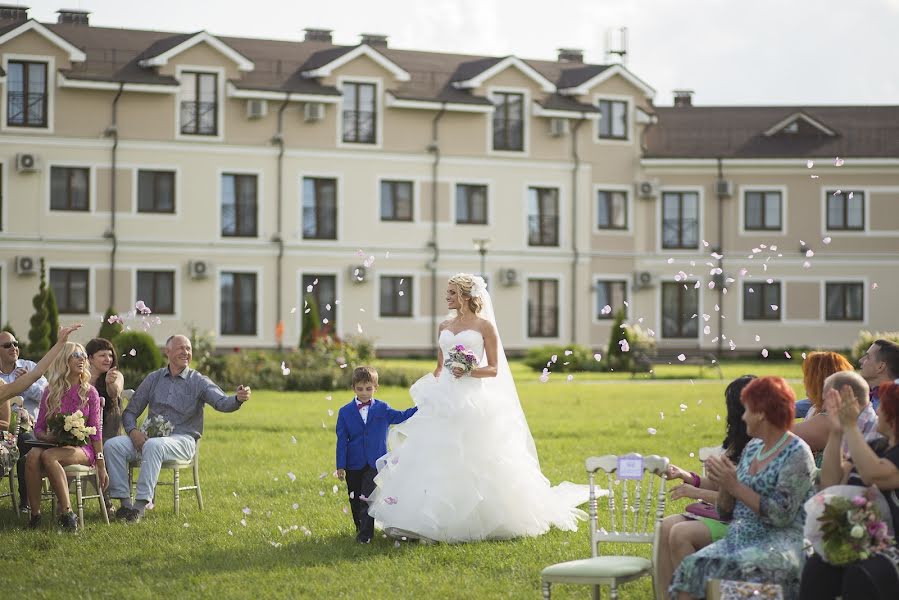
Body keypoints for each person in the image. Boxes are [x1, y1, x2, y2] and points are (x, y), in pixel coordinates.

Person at [366, 273, 588, 543]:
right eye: (447, 292)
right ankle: (420, 519)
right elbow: (440, 366)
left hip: (473, 399)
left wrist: (469, 371)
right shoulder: (444, 325)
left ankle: (473, 520)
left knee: (473, 456)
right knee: (433, 454)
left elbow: (493, 368)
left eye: (451, 292)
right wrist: (431, 390)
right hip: (444, 398)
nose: (446, 297)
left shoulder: (485, 327)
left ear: (466, 296)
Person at [670, 376, 816, 600]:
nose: (743, 416)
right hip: (740, 537)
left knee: (735, 572)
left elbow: (780, 515)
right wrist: (725, 483)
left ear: (761, 413)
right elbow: (725, 512)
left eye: (747, 410)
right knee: (690, 569)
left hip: (779, 543)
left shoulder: (797, 453)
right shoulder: (753, 448)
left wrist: (734, 486)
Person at [104, 334, 251, 523]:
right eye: (181, 348)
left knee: (154, 446)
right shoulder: (154, 379)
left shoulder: (198, 381)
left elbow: (222, 402)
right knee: (113, 445)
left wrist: (237, 398)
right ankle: (125, 505)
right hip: (149, 440)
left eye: (189, 349)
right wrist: (133, 432)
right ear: (168, 351)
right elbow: (130, 412)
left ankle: (139, 507)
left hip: (183, 441)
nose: (186, 352)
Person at [799, 379, 899, 600]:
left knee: (861, 574)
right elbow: (831, 485)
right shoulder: (873, 447)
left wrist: (851, 426)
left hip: (891, 548)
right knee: (817, 566)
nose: (878, 408)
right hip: (857, 540)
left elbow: (874, 473)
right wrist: (837, 432)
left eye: (883, 405)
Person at [656, 375, 755, 595]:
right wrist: (686, 476)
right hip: (718, 512)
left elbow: (736, 496)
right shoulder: (737, 440)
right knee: (664, 527)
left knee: (680, 533)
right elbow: (721, 485)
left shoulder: (756, 443)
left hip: (737, 518)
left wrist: (695, 492)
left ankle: (694, 595)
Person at [24, 342, 105, 531]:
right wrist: (49, 437)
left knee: (49, 456)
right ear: (64, 361)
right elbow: (39, 428)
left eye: (83, 355)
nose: (82, 358)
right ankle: (35, 516)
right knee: (32, 456)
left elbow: (96, 430)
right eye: (76, 355)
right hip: (54, 445)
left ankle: (68, 514)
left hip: (82, 448)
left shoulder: (89, 392)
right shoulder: (50, 391)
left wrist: (100, 462)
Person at [336, 366, 417, 544]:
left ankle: (366, 535)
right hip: (353, 463)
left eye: (368, 388)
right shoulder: (344, 412)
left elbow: (400, 416)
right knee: (355, 499)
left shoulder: (383, 408)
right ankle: (360, 527)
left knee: (367, 498)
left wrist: (420, 409)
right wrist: (340, 466)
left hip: (375, 462)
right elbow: (342, 440)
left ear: (375, 387)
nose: (364, 393)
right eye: (360, 389)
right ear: (353, 388)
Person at [0, 330, 49, 512]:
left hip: (30, 428)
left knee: (26, 444)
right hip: (4, 430)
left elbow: (46, 397)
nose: (13, 348)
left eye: (15, 343)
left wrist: (27, 384)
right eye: (7, 345)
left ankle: (26, 501)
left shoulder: (29, 367)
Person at [792, 351, 855, 466]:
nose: (803, 381)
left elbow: (775, 436)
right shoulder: (818, 408)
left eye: (807, 376)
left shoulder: (829, 418)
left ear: (818, 381)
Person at [85, 338, 125, 441]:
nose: (108, 359)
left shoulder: (116, 376)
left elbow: (114, 393)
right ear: (90, 358)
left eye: (110, 355)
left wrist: (109, 383)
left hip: (108, 435)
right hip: (83, 432)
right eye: (103, 355)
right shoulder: (82, 379)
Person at [857, 339, 899, 410]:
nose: (860, 360)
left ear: (881, 366)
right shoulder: (864, 396)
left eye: (867, 357)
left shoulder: (893, 405)